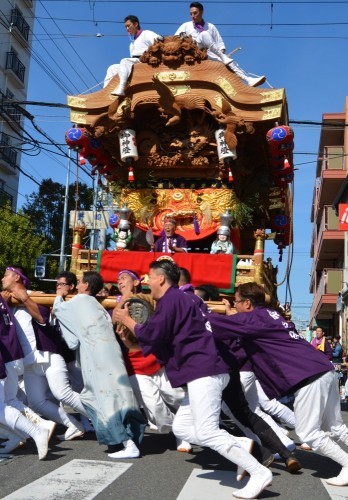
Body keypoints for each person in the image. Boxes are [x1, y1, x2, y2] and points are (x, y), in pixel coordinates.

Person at [114, 260, 272, 500]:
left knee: (207, 431)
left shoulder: (171, 299)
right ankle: (239, 445)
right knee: (182, 428)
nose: (147, 281)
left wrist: (127, 321)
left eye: (149, 276)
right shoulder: (178, 299)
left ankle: (258, 472)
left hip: (203, 371)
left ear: (161, 278)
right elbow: (159, 338)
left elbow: (153, 335)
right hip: (201, 370)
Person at [210, 282, 348, 487]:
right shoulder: (270, 315)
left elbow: (215, 325)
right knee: (334, 426)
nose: (234, 306)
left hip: (308, 376)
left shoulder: (253, 318)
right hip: (322, 369)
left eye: (236, 302)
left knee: (308, 432)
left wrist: (198, 311)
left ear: (247, 303)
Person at [53, 271, 146, 459]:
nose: (77, 285)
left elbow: (61, 315)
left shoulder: (77, 302)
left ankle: (126, 443)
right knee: (119, 397)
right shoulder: (97, 304)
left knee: (104, 400)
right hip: (111, 353)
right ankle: (131, 438)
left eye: (79, 282)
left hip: (96, 355)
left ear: (86, 286)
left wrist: (58, 296)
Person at [1, 266, 86, 442]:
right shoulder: (7, 302)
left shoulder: (36, 295)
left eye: (6, 275)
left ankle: (105, 417)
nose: (2, 279)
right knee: (36, 401)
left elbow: (43, 319)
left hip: (49, 355)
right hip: (30, 362)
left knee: (63, 393)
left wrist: (24, 298)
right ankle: (73, 425)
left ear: (17, 278)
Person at [112, 269, 190, 451]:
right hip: (134, 364)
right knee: (154, 406)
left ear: (137, 281)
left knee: (176, 396)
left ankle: (193, 424)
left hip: (155, 358)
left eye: (123, 278)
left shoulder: (151, 297)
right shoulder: (115, 302)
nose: (120, 282)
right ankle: (181, 432)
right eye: (117, 280)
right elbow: (115, 320)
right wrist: (125, 298)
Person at [175, 2, 266, 87]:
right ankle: (223, 58)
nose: (192, 16)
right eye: (191, 14)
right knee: (204, 34)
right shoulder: (186, 26)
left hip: (209, 53)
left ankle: (248, 79)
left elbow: (220, 44)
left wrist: (221, 54)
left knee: (229, 62)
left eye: (195, 13)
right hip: (195, 51)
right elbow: (175, 39)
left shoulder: (210, 27)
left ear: (202, 12)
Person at [105, 15, 160, 96]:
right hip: (134, 62)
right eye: (125, 27)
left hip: (144, 61)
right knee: (112, 68)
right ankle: (105, 92)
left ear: (136, 24)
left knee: (124, 61)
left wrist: (153, 55)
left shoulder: (146, 33)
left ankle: (121, 88)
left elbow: (159, 40)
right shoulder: (132, 44)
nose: (127, 29)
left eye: (128, 25)